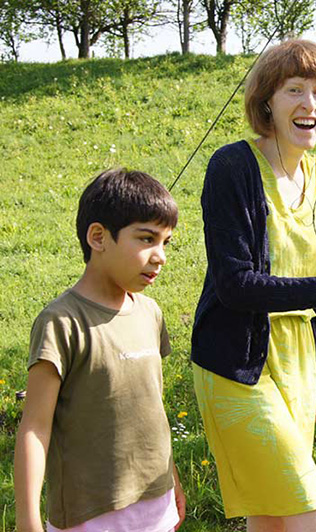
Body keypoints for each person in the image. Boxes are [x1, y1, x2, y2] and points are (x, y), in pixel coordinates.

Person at [191, 39, 316, 532]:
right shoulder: (232, 167)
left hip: (297, 363)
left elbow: (310, 271)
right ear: (267, 101)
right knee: (314, 517)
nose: (311, 105)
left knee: (272, 520)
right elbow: (236, 284)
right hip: (239, 368)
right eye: (294, 90)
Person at [14, 169, 185, 532]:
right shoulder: (61, 322)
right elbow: (34, 428)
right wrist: (27, 521)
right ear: (98, 237)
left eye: (165, 242)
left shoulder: (150, 313)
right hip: (90, 516)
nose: (160, 256)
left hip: (156, 505)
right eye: (146, 238)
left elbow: (151, 410)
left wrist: (172, 481)